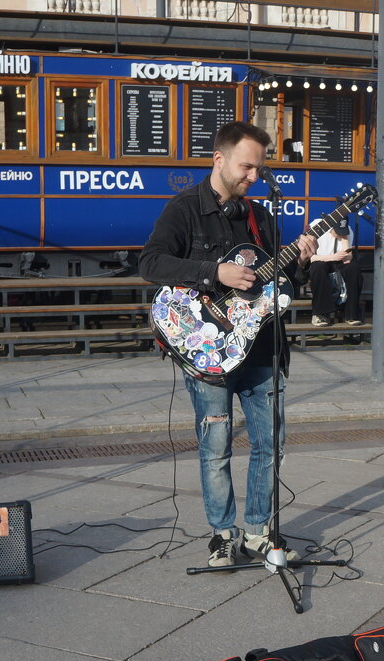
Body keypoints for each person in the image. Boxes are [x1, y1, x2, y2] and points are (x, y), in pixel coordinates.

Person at [139, 121, 317, 567]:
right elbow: (151, 262)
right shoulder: (183, 210)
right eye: (246, 167)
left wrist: (303, 261)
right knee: (216, 446)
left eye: (258, 169)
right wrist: (212, 272)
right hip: (208, 353)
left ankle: (258, 533)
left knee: (268, 445)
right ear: (218, 159)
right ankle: (223, 534)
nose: (253, 177)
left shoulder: (260, 218)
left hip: (260, 350)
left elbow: (278, 288)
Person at [307, 217, 363, 326]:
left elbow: (347, 260)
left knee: (353, 268)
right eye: (337, 231)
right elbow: (310, 258)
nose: (339, 234)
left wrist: (344, 238)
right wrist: (332, 257)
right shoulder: (317, 226)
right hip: (319, 260)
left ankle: (351, 314)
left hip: (337, 262)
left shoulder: (348, 231)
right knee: (318, 268)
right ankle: (320, 314)